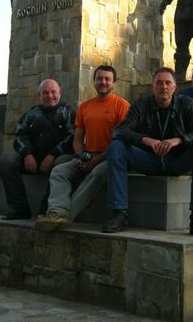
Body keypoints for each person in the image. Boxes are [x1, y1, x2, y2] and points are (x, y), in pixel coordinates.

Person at [103, 67, 193, 237]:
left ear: (174, 87)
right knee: (116, 147)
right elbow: (119, 131)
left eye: (168, 83)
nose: (164, 87)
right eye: (159, 83)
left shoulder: (186, 104)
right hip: (148, 159)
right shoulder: (141, 105)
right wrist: (145, 139)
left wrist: (179, 139)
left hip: (177, 160)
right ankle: (118, 213)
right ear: (153, 86)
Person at [35, 65, 130, 231]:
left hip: (110, 157)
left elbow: (120, 141)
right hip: (87, 156)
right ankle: (56, 212)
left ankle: (65, 217)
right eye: (99, 78)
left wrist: (96, 160)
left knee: (96, 174)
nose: (103, 82)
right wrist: (81, 156)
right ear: (94, 82)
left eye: (107, 79)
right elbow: (78, 138)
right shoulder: (85, 107)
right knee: (59, 171)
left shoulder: (122, 106)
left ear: (113, 83)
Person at [0, 79, 75, 220]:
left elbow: (72, 136)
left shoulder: (68, 112)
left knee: (62, 163)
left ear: (60, 93)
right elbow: (19, 136)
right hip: (33, 160)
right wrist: (27, 154)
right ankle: (19, 208)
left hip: (57, 158)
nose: (50, 96)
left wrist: (53, 155)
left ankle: (45, 210)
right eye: (45, 93)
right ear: (40, 95)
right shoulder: (31, 114)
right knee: (7, 160)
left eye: (53, 92)